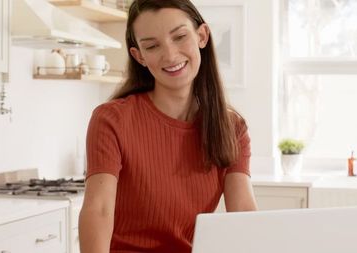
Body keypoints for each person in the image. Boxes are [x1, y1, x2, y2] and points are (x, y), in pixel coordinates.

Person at [78, 0, 258, 252]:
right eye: (152, 46)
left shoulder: (232, 128)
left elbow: (243, 215)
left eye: (180, 37)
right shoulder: (111, 119)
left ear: (202, 36)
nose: (170, 55)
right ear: (139, 56)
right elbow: (99, 209)